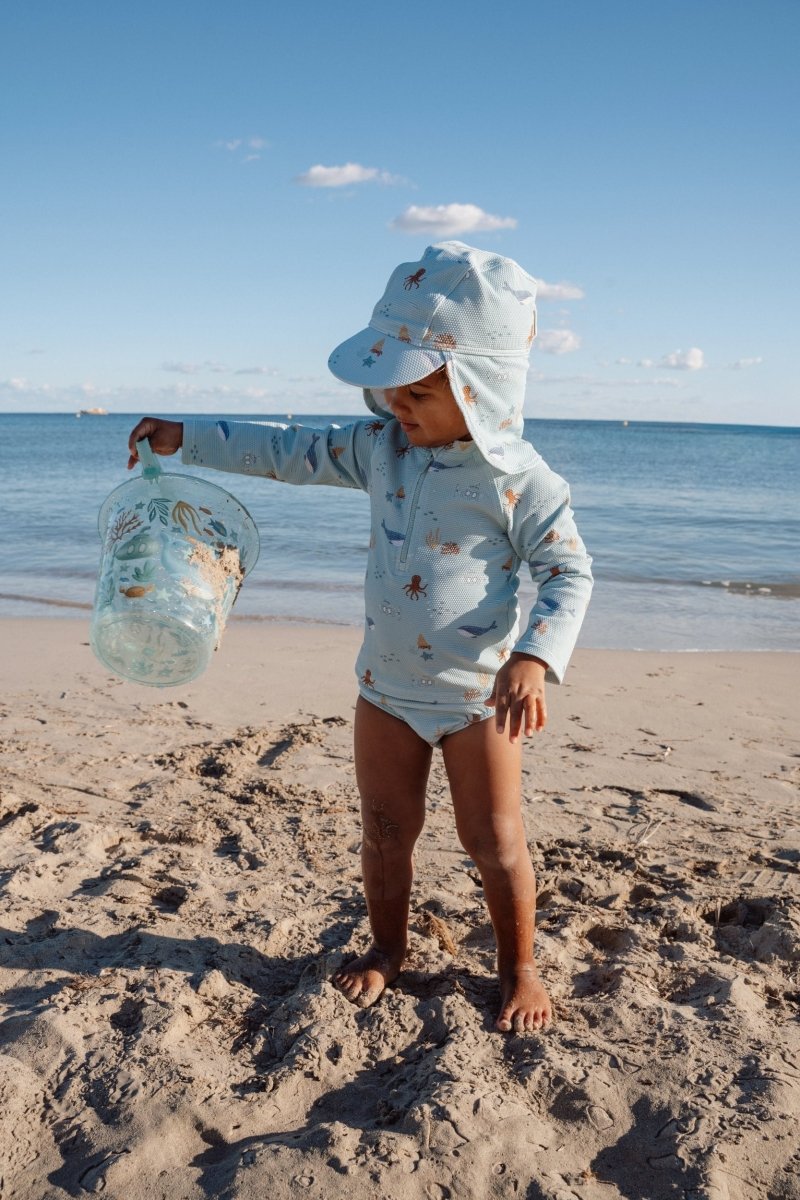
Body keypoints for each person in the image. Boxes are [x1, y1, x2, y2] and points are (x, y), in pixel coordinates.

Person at [127, 242, 593, 1033]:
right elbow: (288, 449)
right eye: (391, 390)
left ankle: (520, 968)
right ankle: (387, 948)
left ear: (479, 389)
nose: (398, 407)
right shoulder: (382, 451)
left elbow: (569, 572)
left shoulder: (522, 482)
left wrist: (534, 656)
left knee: (493, 840)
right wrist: (188, 435)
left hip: (478, 700)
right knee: (383, 832)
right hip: (384, 690)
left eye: (418, 392)